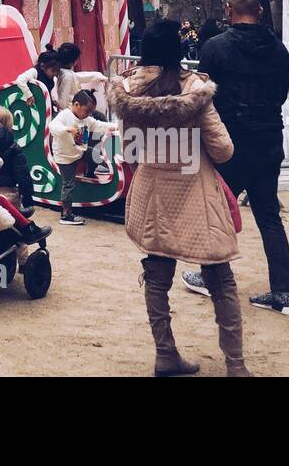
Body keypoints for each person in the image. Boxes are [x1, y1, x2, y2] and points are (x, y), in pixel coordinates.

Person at [108, 19, 248, 377]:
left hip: (152, 195)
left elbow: (129, 149)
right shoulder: (195, 91)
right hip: (195, 194)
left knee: (156, 277)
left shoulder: (128, 93)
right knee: (221, 279)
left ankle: (165, 353)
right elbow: (224, 149)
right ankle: (235, 364)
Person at [183, 0, 289, 316]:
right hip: (268, 140)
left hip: (228, 144)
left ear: (229, 10)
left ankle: (209, 277)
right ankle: (283, 291)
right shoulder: (278, 51)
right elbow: (281, 95)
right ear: (259, 10)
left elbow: (204, 99)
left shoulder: (215, 48)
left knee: (216, 212)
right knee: (268, 216)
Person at [49, 89, 115, 226]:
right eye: (87, 110)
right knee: (68, 185)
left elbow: (98, 125)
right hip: (66, 156)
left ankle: (90, 173)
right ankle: (66, 214)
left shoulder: (85, 118)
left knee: (96, 155)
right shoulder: (64, 116)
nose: (88, 114)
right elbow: (53, 126)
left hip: (80, 150)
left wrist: (116, 127)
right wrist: (67, 129)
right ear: (77, 105)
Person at [0, 107, 35, 214]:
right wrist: (27, 196)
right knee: (13, 221)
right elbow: (22, 174)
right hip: (7, 193)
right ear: (9, 124)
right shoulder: (13, 147)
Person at [52, 42, 106, 112]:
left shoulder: (65, 73)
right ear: (74, 61)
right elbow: (63, 103)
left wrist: (100, 76)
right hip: (75, 111)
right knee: (100, 118)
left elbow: (82, 76)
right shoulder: (67, 76)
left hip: (77, 108)